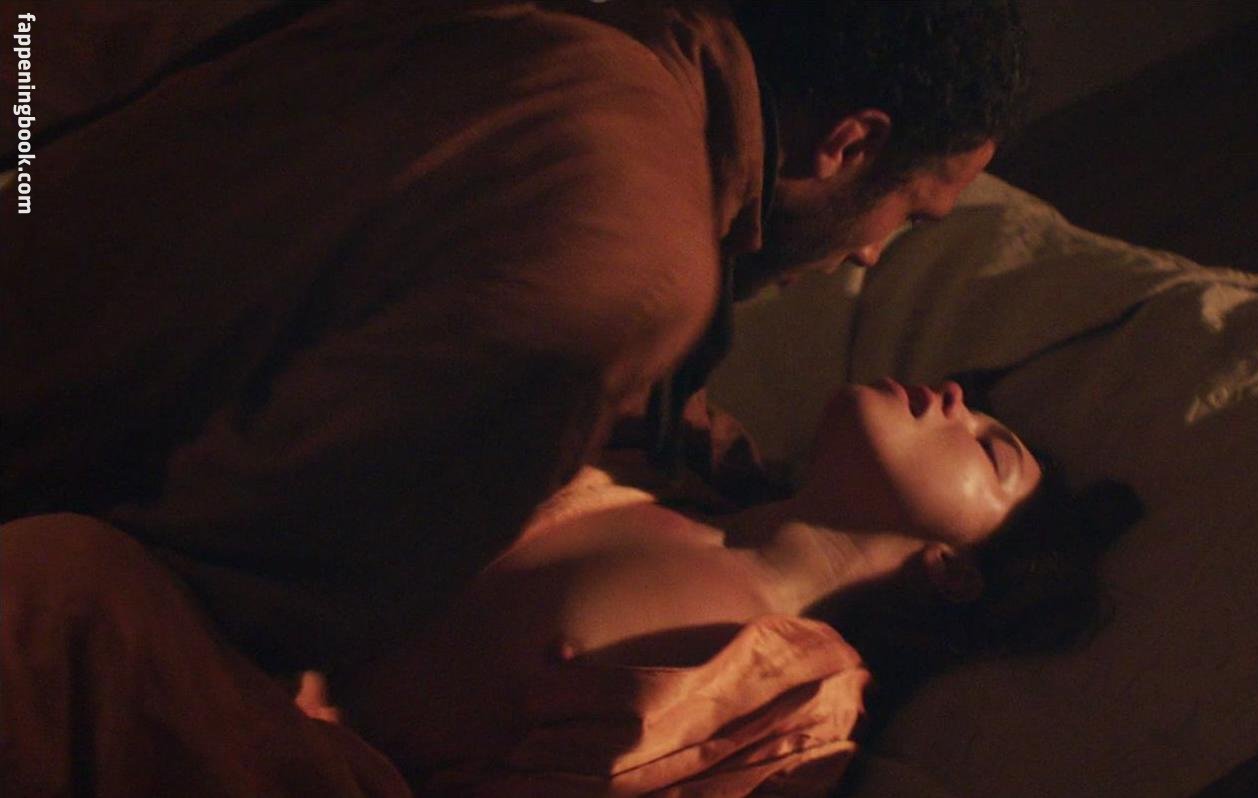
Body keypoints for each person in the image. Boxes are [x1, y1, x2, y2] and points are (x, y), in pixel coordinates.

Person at [0, 0, 1026, 674]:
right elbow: (248, 595)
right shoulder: (632, 257)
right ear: (850, 144)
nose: (868, 255)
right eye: (910, 215)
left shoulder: (579, 57)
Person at [1, 380, 1139, 796]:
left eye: (991, 448)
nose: (953, 398)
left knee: (68, 585)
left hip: (312, 769)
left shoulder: (797, 697)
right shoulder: (646, 478)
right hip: (235, 671)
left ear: (952, 570)